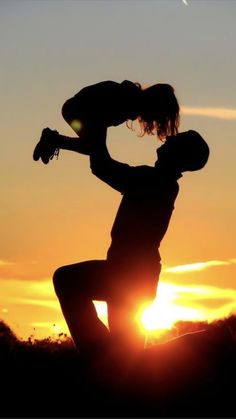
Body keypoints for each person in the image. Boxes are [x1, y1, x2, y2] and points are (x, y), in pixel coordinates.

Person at [51, 127, 209, 374]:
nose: (168, 136)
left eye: (175, 139)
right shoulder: (161, 182)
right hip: (136, 276)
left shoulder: (153, 180)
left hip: (127, 274)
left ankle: (99, 361)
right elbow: (103, 165)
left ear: (178, 154)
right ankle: (108, 371)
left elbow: (102, 167)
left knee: (66, 279)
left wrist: (98, 125)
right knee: (128, 357)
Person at [33, 80, 180, 164]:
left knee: (92, 148)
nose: (154, 121)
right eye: (157, 116)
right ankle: (52, 139)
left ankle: (53, 140)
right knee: (94, 149)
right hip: (78, 111)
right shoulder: (124, 100)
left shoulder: (128, 102)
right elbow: (98, 115)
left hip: (77, 111)